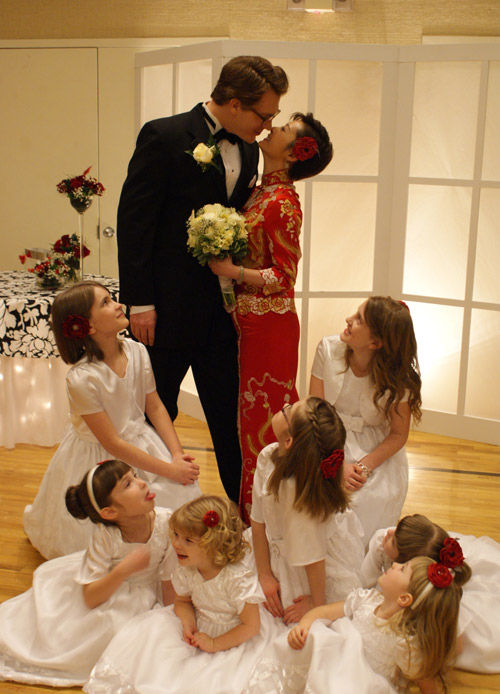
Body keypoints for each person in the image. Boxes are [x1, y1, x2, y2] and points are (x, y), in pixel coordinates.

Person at [117, 55, 289, 504]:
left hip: (220, 315)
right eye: (263, 115)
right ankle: (148, 510)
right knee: (153, 416)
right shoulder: (164, 136)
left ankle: (245, 514)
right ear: (234, 104)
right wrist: (140, 303)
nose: (268, 126)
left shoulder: (248, 149)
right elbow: (135, 222)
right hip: (164, 312)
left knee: (230, 421)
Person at [209, 112, 333, 523]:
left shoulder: (283, 203)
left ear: (296, 153)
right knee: (247, 422)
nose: (273, 127)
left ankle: (265, 520)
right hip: (249, 322)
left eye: (285, 129)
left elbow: (284, 276)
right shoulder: (260, 191)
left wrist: (232, 272)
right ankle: (256, 516)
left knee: (264, 424)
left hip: (270, 327)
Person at [23, 280, 200, 559]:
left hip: (141, 443)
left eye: (112, 298)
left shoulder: (137, 351)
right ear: (88, 326)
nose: (118, 304)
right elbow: (113, 443)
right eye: (105, 302)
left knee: (177, 494)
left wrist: (176, 455)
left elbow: (154, 407)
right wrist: (169, 470)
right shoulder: (82, 378)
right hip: (101, 458)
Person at [85, 495, 286, 694]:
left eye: (188, 540)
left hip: (235, 635)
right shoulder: (187, 570)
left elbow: (251, 626)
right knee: (153, 646)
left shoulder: (237, 579)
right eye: (176, 535)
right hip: (200, 626)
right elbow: (182, 601)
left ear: (213, 544)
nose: (176, 544)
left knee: (217, 681)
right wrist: (188, 622)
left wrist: (215, 644)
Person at [0, 460, 175, 687]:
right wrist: (124, 570)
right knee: (108, 630)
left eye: (135, 476)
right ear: (109, 512)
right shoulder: (106, 536)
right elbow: (91, 597)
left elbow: (168, 577)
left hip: (151, 594)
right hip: (109, 591)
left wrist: (171, 618)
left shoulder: (167, 522)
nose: (142, 483)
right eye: (128, 484)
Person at [310, 296, 422, 544]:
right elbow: (314, 411)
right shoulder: (328, 348)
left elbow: (398, 434)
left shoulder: (399, 377)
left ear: (375, 342)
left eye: (359, 319)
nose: (348, 319)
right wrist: (336, 464)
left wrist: (363, 467)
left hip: (374, 449)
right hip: (326, 437)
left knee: (371, 497)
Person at [250, 396, 365, 626]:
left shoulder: (301, 498)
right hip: (276, 546)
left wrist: (316, 603)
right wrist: (264, 573)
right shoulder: (267, 456)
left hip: (314, 567)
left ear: (289, 441)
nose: (284, 406)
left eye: (289, 410)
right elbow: (258, 520)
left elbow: (313, 557)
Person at [281, 555, 469, 694]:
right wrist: (304, 624)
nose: (395, 564)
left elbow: (425, 683)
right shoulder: (366, 599)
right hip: (336, 663)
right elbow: (326, 612)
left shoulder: (405, 643)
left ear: (404, 598)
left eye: (402, 569)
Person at [361, 514, 500, 674]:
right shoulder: (383, 539)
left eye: (393, 541)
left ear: (407, 564)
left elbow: (454, 649)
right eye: (397, 527)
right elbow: (365, 582)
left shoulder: (438, 594)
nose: (389, 532)